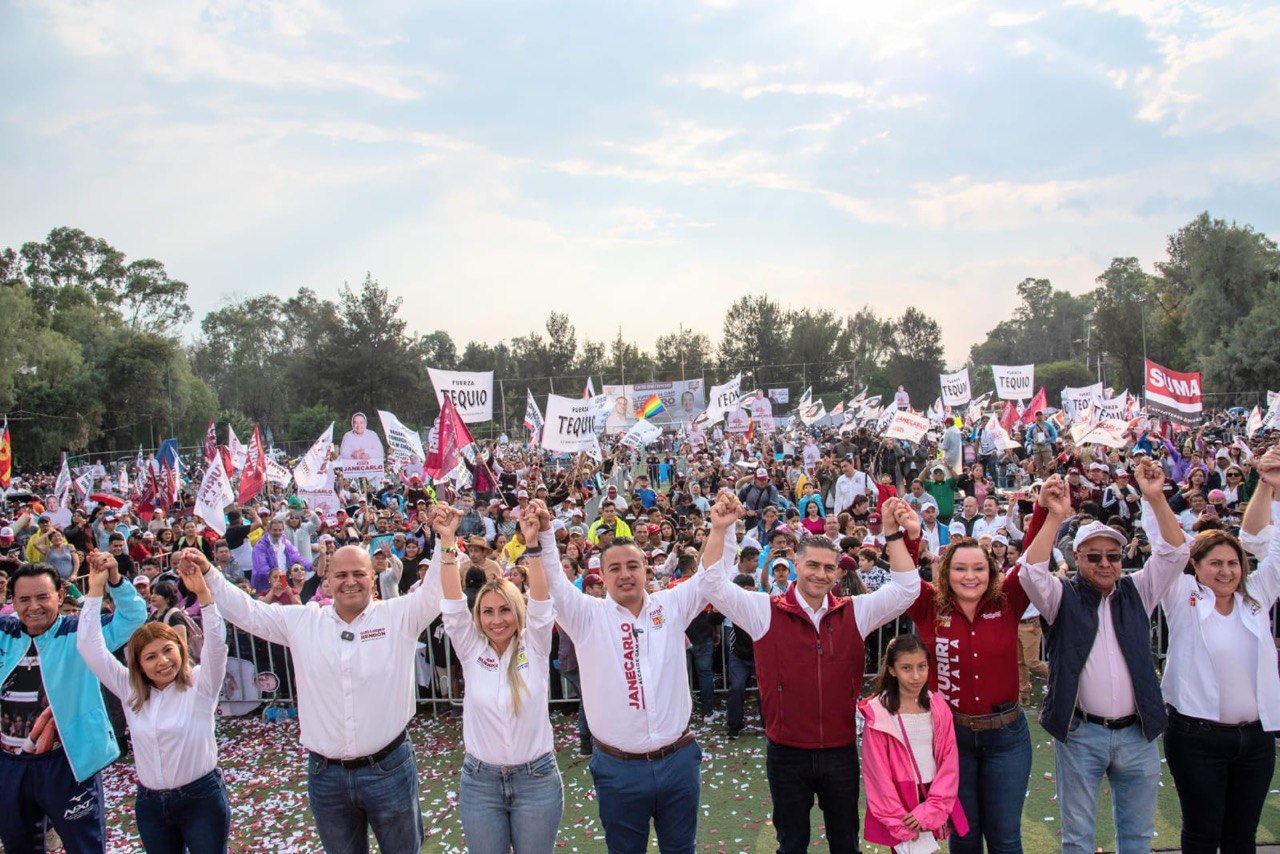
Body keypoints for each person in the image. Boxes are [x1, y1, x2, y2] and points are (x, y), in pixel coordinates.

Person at [197, 508, 449, 853]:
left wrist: (446, 540)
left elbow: (435, 592)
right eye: (341, 574)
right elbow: (248, 613)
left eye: (359, 573)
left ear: (372, 579)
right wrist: (210, 576)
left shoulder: (399, 616)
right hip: (326, 776)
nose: (350, 581)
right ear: (327, 580)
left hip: (390, 769)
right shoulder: (304, 621)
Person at [701, 491, 921, 854]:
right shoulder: (764, 610)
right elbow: (712, 585)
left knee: (845, 844)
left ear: (837, 572)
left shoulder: (856, 611)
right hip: (787, 753)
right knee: (792, 845)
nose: (820, 574)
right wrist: (721, 531)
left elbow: (907, 588)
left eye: (828, 567)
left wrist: (893, 533)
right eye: (813, 565)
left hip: (840, 750)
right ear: (796, 564)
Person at [1022, 465, 1189, 854]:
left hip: (1137, 733)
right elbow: (1030, 572)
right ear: (1077, 556)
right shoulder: (1060, 595)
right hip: (1081, 734)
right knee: (1078, 840)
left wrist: (1155, 497)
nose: (1105, 563)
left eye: (1113, 556)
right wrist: (1054, 517)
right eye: (1094, 556)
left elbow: (1176, 552)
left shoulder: (1138, 590)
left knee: (1137, 839)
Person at [538, 497, 713, 853]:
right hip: (618, 769)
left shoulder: (671, 605)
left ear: (647, 570)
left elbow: (709, 578)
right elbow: (554, 584)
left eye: (633, 565)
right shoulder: (586, 616)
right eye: (614, 568)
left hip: (678, 761)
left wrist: (721, 528)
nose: (625, 574)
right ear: (602, 576)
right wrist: (542, 533)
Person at [1160, 446, 1280, 853]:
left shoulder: (1258, 595)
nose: (1226, 571)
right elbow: (1172, 549)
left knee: (1241, 837)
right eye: (1215, 563)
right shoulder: (1182, 596)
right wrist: (1156, 497)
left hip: (1257, 741)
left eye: (1233, 563)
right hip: (1195, 737)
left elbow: (1265, 543)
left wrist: (1269, 485)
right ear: (1196, 566)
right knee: (1202, 833)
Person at [77, 548, 230, 853]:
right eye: (150, 656)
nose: (162, 662)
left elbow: (217, 643)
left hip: (201, 799)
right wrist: (95, 590)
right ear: (138, 664)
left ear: (181, 650)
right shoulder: (130, 689)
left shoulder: (201, 683)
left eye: (168, 651)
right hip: (150, 804)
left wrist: (204, 593)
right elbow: (89, 647)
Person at [0, 554, 147, 854]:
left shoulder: (81, 631)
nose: (34, 607)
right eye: (24, 599)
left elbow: (132, 618)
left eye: (43, 597)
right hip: (10, 764)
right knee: (18, 846)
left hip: (67, 762)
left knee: (85, 846)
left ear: (61, 595)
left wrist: (115, 580)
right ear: (12, 601)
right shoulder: (5, 633)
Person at [439, 504, 563, 853]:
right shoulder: (469, 647)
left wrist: (533, 544)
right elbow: (451, 603)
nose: (497, 620)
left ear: (517, 610)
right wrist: (448, 542)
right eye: (488, 611)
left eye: (505, 609)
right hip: (481, 783)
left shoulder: (535, 644)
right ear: (477, 614)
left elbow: (542, 599)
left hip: (536, 780)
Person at [859, 634, 968, 853]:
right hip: (898, 800)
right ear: (891, 669)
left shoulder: (938, 706)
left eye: (922, 666)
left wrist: (932, 809)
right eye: (906, 668)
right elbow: (877, 775)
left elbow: (949, 764)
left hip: (931, 795)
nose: (916, 676)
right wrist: (897, 820)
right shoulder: (878, 714)